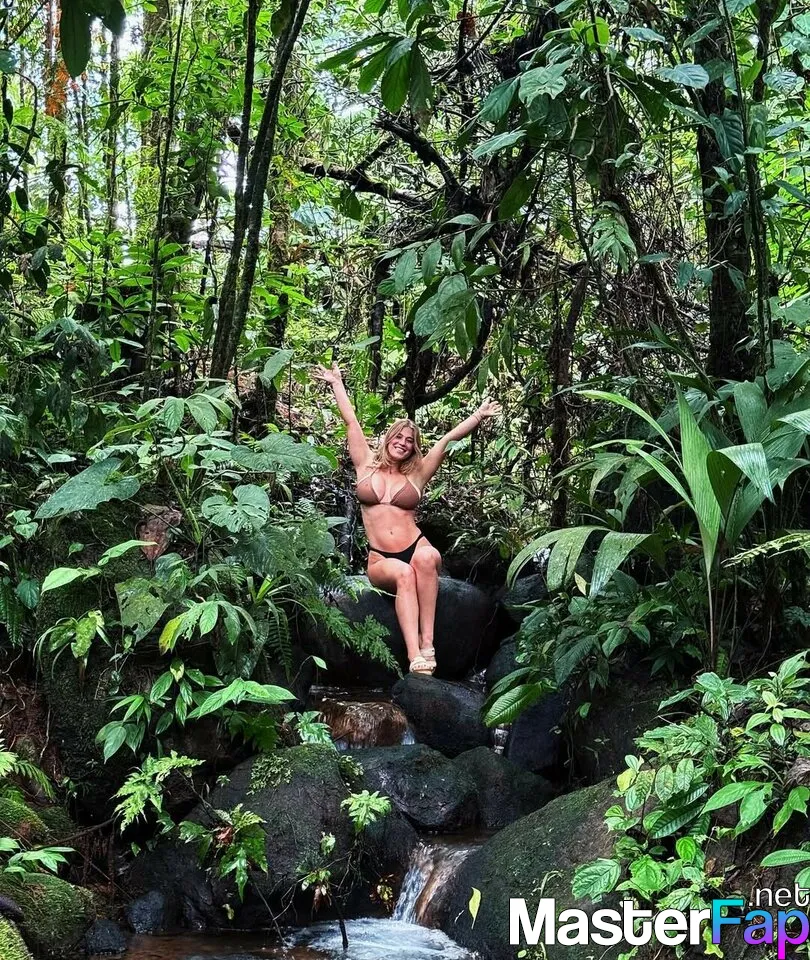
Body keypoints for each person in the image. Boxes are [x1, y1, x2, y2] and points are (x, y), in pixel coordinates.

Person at [312, 361, 501, 675]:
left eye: (409, 440)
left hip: (415, 546)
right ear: (388, 439)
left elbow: (446, 441)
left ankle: (428, 644)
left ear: (414, 448)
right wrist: (336, 382)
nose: (403, 443)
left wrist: (478, 416)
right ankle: (415, 655)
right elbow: (351, 421)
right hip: (381, 558)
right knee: (402, 573)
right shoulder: (365, 464)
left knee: (427, 558)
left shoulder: (418, 473)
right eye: (398, 437)